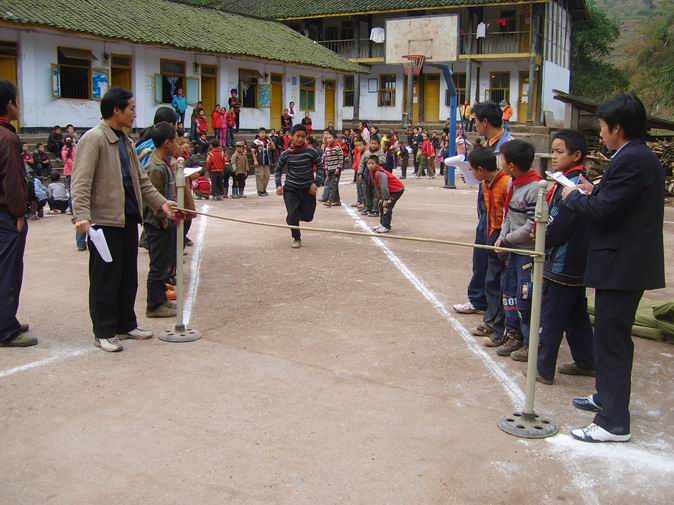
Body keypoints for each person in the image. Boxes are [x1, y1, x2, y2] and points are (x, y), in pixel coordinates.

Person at [561, 93, 665, 443]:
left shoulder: (632, 159)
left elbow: (605, 212)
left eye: (603, 128)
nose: (601, 135)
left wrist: (575, 197)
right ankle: (605, 396)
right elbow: (614, 203)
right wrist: (593, 193)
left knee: (612, 340)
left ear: (617, 128)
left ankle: (614, 422)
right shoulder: (634, 157)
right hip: (623, 262)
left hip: (623, 264)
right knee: (610, 336)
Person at [71, 87, 177, 353]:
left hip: (128, 217)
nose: (134, 113)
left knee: (127, 275)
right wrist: (82, 215)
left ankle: (125, 323)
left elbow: (141, 182)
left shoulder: (126, 142)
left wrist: (161, 203)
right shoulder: (94, 139)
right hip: (104, 222)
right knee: (105, 278)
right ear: (116, 110)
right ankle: (104, 331)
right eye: (130, 108)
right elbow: (81, 181)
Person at [533, 130, 595, 383]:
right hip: (575, 262)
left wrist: (539, 240)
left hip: (563, 262)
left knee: (552, 315)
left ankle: (543, 369)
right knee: (576, 313)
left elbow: (558, 224)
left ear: (576, 154)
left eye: (560, 152)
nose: (554, 156)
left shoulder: (572, 186)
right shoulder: (569, 181)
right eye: (553, 151)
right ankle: (586, 360)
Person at [453, 101, 512, 315]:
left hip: (498, 213)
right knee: (480, 256)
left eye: (476, 120)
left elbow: (508, 181)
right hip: (485, 208)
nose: (474, 124)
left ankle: (494, 310)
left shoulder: (507, 147)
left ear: (485, 122)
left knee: (494, 263)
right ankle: (478, 299)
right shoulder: (488, 144)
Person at [493, 140, 542, 359]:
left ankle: (530, 341)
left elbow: (532, 226)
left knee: (525, 298)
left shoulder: (535, 188)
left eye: (501, 159)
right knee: (509, 292)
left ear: (511, 165)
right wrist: (502, 237)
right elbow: (509, 217)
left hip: (527, 254)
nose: (499, 163)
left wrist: (508, 240)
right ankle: (514, 334)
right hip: (513, 250)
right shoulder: (514, 183)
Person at [0, 80, 37, 347]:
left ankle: (6, 319)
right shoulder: (8, 137)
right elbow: (12, 180)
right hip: (5, 216)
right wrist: (20, 212)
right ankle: (6, 329)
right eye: (16, 100)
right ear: (9, 103)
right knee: (9, 271)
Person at [465, 148, 510, 347]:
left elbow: (509, 216)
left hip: (504, 237)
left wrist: (502, 238)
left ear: (481, 169)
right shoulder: (486, 183)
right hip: (491, 232)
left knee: (501, 283)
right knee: (490, 281)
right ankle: (491, 321)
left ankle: (503, 327)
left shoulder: (506, 184)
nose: (470, 173)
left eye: (471, 169)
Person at [144, 122, 180, 319]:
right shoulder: (155, 167)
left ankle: (162, 300)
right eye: (176, 140)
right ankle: (154, 304)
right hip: (158, 224)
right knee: (157, 266)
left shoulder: (165, 162)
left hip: (166, 222)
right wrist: (164, 216)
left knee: (165, 264)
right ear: (167, 143)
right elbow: (152, 200)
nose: (178, 144)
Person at [275, 124, 325, 248]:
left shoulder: (311, 151)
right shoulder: (286, 154)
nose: (300, 139)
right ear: (291, 136)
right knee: (293, 215)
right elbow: (278, 170)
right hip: (291, 189)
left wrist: (316, 183)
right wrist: (278, 185)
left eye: (303, 137)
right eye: (297, 136)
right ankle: (296, 237)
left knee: (308, 217)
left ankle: (292, 217)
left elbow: (321, 167)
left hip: (307, 189)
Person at [368, 155, 404, 233]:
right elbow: (377, 187)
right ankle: (382, 224)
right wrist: (380, 198)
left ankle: (386, 226)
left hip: (397, 189)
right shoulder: (372, 172)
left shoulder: (379, 173)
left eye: (372, 163)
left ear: (377, 164)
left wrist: (385, 199)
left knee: (386, 206)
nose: (370, 165)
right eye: (369, 163)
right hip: (390, 191)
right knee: (381, 204)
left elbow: (384, 187)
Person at [358, 137, 386, 217]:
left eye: (375, 144)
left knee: (376, 194)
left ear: (378, 144)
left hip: (376, 177)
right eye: (372, 143)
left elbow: (383, 160)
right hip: (367, 177)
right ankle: (368, 207)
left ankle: (375, 210)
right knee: (367, 193)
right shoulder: (366, 153)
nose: (373, 145)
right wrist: (360, 173)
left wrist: (374, 159)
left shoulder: (380, 153)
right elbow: (362, 163)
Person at [320, 130, 344, 207]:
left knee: (333, 185)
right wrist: (326, 169)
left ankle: (330, 200)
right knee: (334, 185)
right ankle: (338, 201)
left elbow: (340, 158)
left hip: (336, 170)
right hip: (329, 169)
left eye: (330, 138)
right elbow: (326, 159)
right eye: (328, 138)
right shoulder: (326, 149)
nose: (328, 139)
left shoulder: (337, 148)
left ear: (334, 139)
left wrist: (338, 168)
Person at [253, 127, 275, 197]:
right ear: (258, 134)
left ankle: (264, 189)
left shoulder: (267, 141)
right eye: (261, 133)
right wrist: (255, 160)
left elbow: (273, 147)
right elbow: (253, 152)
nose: (262, 134)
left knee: (267, 176)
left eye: (264, 133)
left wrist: (269, 138)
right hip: (259, 162)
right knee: (260, 176)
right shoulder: (255, 142)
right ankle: (260, 190)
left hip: (267, 161)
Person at [61, 135, 76, 212]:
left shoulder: (74, 148)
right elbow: (68, 161)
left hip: (76, 171)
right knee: (71, 191)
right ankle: (71, 208)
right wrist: (75, 168)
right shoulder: (64, 150)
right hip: (69, 172)